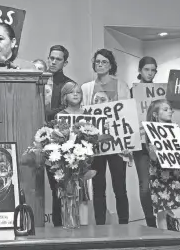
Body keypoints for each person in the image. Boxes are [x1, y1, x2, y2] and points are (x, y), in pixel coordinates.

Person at [81, 48, 130, 225]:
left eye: (104, 62)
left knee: (120, 186)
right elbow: (83, 115)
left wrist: (127, 143)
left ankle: (124, 223)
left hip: (116, 143)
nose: (100, 65)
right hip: (96, 144)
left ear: (111, 65)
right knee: (98, 187)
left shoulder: (121, 85)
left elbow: (126, 116)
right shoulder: (86, 88)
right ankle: (100, 224)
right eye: (97, 62)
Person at [146, 99, 180, 231]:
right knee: (160, 206)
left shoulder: (175, 129)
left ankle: (170, 221)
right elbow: (152, 157)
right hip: (158, 175)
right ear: (155, 114)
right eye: (165, 109)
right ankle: (165, 233)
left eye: (170, 109)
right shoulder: (151, 131)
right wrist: (154, 151)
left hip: (173, 173)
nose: (170, 111)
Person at [44, 45, 74, 227]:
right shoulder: (38, 80)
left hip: (58, 140)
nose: (53, 62)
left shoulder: (69, 85)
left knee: (58, 185)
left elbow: (69, 111)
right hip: (36, 136)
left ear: (65, 62)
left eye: (58, 59)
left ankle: (59, 224)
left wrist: (49, 114)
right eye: (51, 58)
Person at [129, 56, 158, 228]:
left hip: (159, 142)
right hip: (140, 143)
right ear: (140, 71)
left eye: (153, 70)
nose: (149, 73)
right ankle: (150, 223)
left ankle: (166, 220)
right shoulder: (132, 91)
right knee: (145, 186)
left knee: (163, 183)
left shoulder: (160, 91)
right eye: (146, 69)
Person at [56, 82, 91, 225]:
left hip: (84, 159)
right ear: (65, 96)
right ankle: (69, 222)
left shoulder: (88, 114)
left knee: (83, 192)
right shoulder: (61, 115)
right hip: (66, 161)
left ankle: (84, 224)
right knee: (68, 191)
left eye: (78, 92)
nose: (76, 94)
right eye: (72, 92)